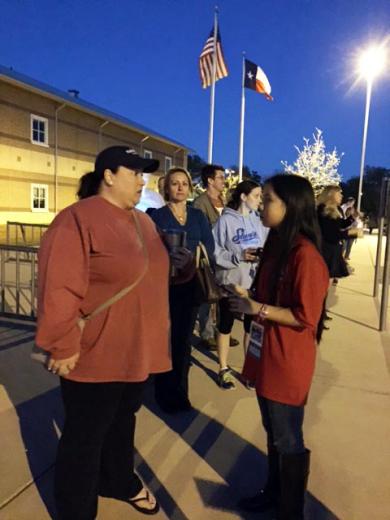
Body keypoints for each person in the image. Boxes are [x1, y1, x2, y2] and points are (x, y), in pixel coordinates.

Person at [35, 146, 171, 519]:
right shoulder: (76, 219)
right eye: (135, 173)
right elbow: (57, 287)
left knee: (123, 422)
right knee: (84, 438)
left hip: (134, 349)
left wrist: (182, 268)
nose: (142, 181)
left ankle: (118, 480)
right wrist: (62, 345)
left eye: (144, 174)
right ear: (108, 175)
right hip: (93, 351)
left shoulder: (144, 222)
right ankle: (76, 511)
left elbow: (148, 271)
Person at [227, 174, 329, 519]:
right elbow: (264, 296)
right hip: (266, 353)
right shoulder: (274, 247)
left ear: (290, 205)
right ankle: (273, 493)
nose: (261, 205)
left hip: (288, 360)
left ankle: (290, 509)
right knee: (273, 432)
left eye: (268, 199)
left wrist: (258, 308)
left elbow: (306, 316)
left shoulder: (306, 256)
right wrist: (246, 299)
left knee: (287, 439)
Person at [151, 167, 214, 413]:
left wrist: (192, 256)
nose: (179, 187)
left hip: (190, 285)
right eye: (174, 183)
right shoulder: (156, 216)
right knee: (164, 339)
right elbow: (149, 249)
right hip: (163, 287)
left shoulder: (198, 216)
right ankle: (162, 391)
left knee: (183, 340)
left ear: (189, 188)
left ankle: (179, 393)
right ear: (166, 187)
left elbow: (210, 246)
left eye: (184, 183)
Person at [212, 180, 268, 389]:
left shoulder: (258, 221)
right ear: (243, 197)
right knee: (226, 326)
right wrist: (239, 255)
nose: (259, 200)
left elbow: (266, 245)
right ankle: (223, 368)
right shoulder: (225, 221)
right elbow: (215, 252)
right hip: (231, 283)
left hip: (252, 283)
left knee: (250, 328)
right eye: (256, 195)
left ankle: (249, 369)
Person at [193, 164, 239, 349]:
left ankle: (223, 333)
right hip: (208, 255)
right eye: (220, 177)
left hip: (224, 256)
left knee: (224, 296)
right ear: (210, 180)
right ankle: (207, 333)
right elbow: (201, 231)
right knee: (208, 294)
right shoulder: (200, 203)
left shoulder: (225, 200)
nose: (224, 180)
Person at [317, 186, 361, 285]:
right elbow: (331, 234)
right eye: (339, 193)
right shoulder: (323, 210)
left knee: (327, 282)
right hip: (326, 251)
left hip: (331, 250)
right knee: (324, 283)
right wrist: (351, 233)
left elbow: (340, 224)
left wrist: (352, 218)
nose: (342, 196)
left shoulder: (333, 209)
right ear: (331, 195)